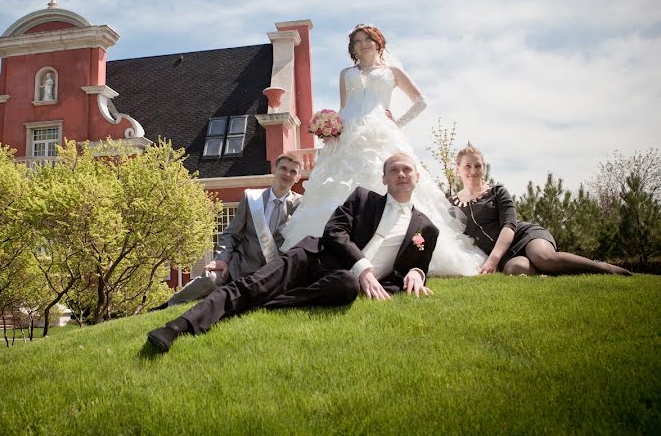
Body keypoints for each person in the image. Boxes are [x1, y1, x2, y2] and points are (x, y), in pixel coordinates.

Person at [147, 153, 438, 353]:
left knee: (346, 286)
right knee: (251, 284)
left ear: (418, 176)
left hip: (339, 280)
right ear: (384, 178)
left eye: (407, 169)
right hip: (311, 258)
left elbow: (413, 268)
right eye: (394, 170)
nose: (401, 174)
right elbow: (334, 232)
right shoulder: (363, 197)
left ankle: (266, 303)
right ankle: (176, 326)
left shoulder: (426, 229)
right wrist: (362, 266)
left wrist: (416, 272)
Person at [279, 24, 484, 275]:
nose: (363, 43)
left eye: (368, 39)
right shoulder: (346, 74)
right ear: (352, 48)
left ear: (378, 42)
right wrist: (331, 129)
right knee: (339, 189)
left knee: (388, 182)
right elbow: (344, 107)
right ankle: (335, 252)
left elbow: (421, 102)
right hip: (348, 137)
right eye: (357, 41)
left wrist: (396, 123)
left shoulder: (392, 71)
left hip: (382, 132)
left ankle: (393, 248)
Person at [451, 145, 631, 276]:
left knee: (543, 257)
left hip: (524, 237)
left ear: (483, 168)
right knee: (515, 269)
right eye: (467, 166)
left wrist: (492, 259)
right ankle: (548, 272)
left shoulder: (497, 191)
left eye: (478, 166)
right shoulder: (452, 204)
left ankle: (602, 268)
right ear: (458, 169)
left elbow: (509, 226)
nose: (473, 171)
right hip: (505, 257)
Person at [154, 153, 303, 309]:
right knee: (210, 279)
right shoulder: (252, 198)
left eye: (293, 171)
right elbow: (231, 233)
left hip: (271, 275)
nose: (287, 174)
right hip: (238, 267)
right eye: (283, 168)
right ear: (274, 169)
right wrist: (222, 259)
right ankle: (166, 307)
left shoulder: (302, 205)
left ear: (298, 177)